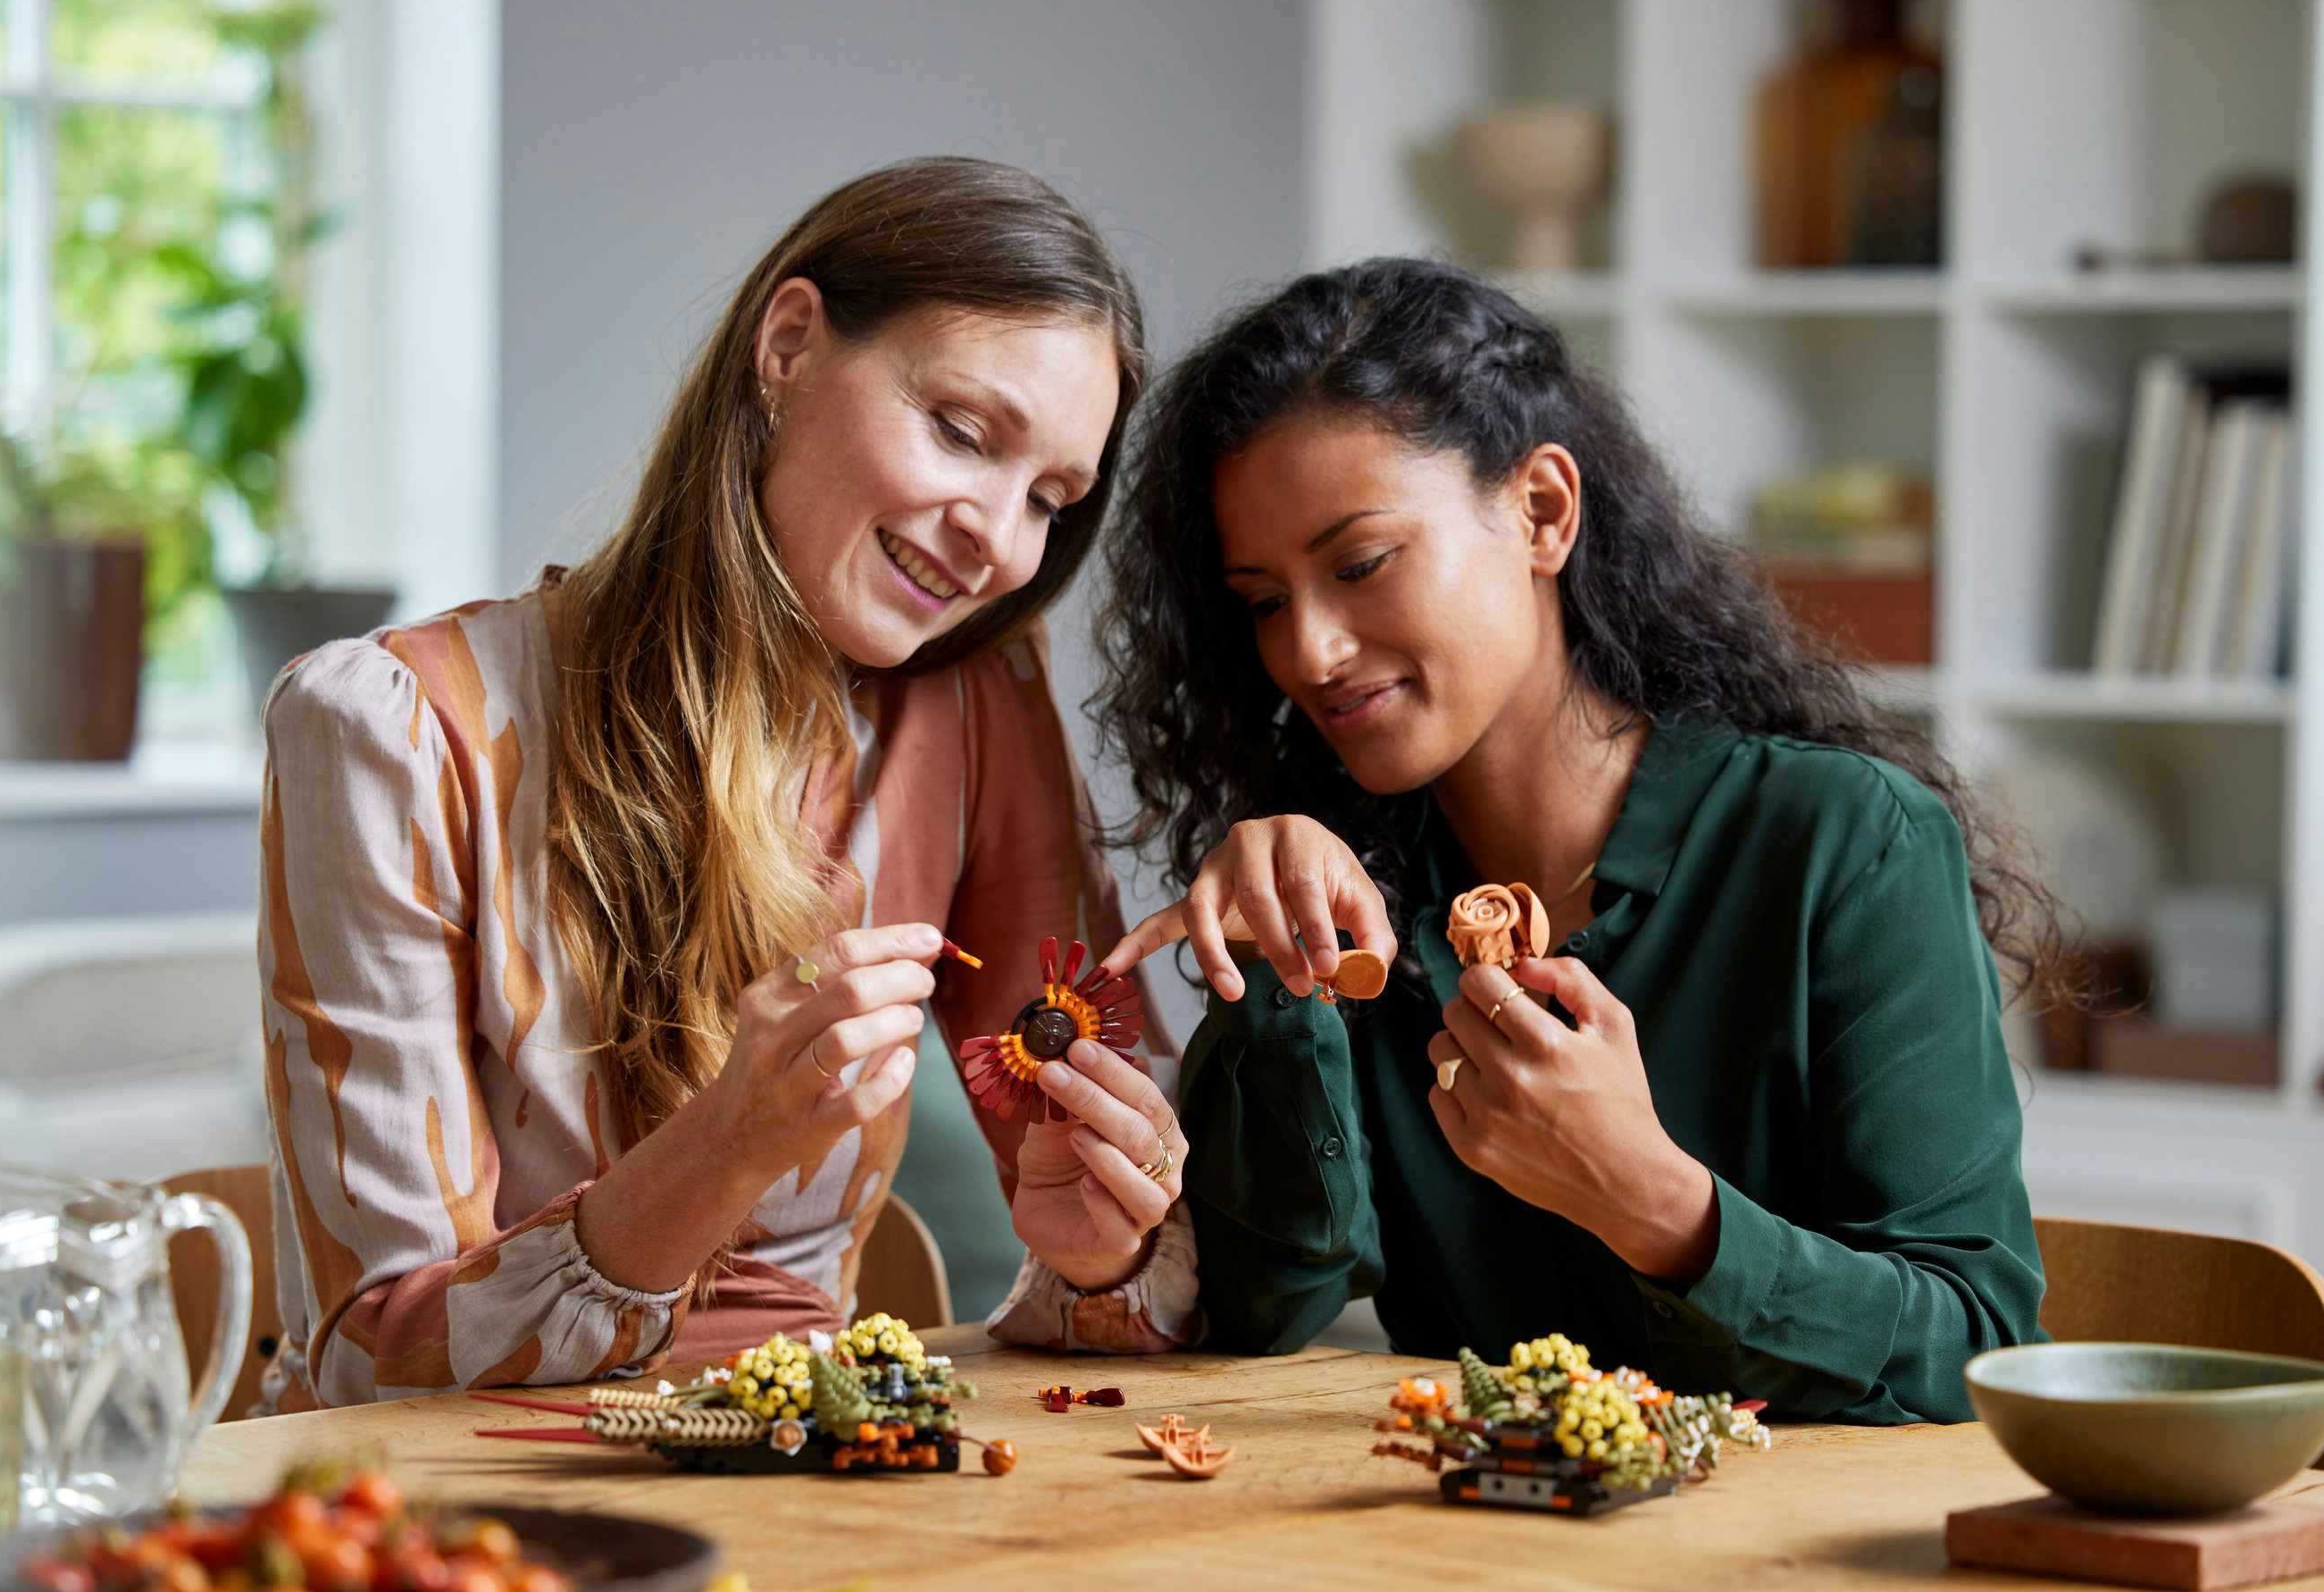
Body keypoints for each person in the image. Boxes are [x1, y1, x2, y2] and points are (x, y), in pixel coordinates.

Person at [255, 160, 1196, 1410]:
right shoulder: (391, 732)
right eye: (964, 434)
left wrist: (1108, 1246)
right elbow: (372, 1357)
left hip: (808, 1489)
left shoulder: (971, 708)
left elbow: (1152, 1248)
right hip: (463, 1534)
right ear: (790, 345)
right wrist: (723, 1144)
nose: (1002, 541)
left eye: (1050, 499)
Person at [1083, 258, 2050, 1422]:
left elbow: (1979, 1345)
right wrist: (1285, 983)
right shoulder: (1358, 895)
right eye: (1264, 599)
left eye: (1360, 563)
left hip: (1802, 1581)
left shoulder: (1845, 842)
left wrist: (1654, 1201)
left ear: (1542, 511)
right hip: (1465, 1562)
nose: (1312, 651)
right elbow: (1264, 1311)